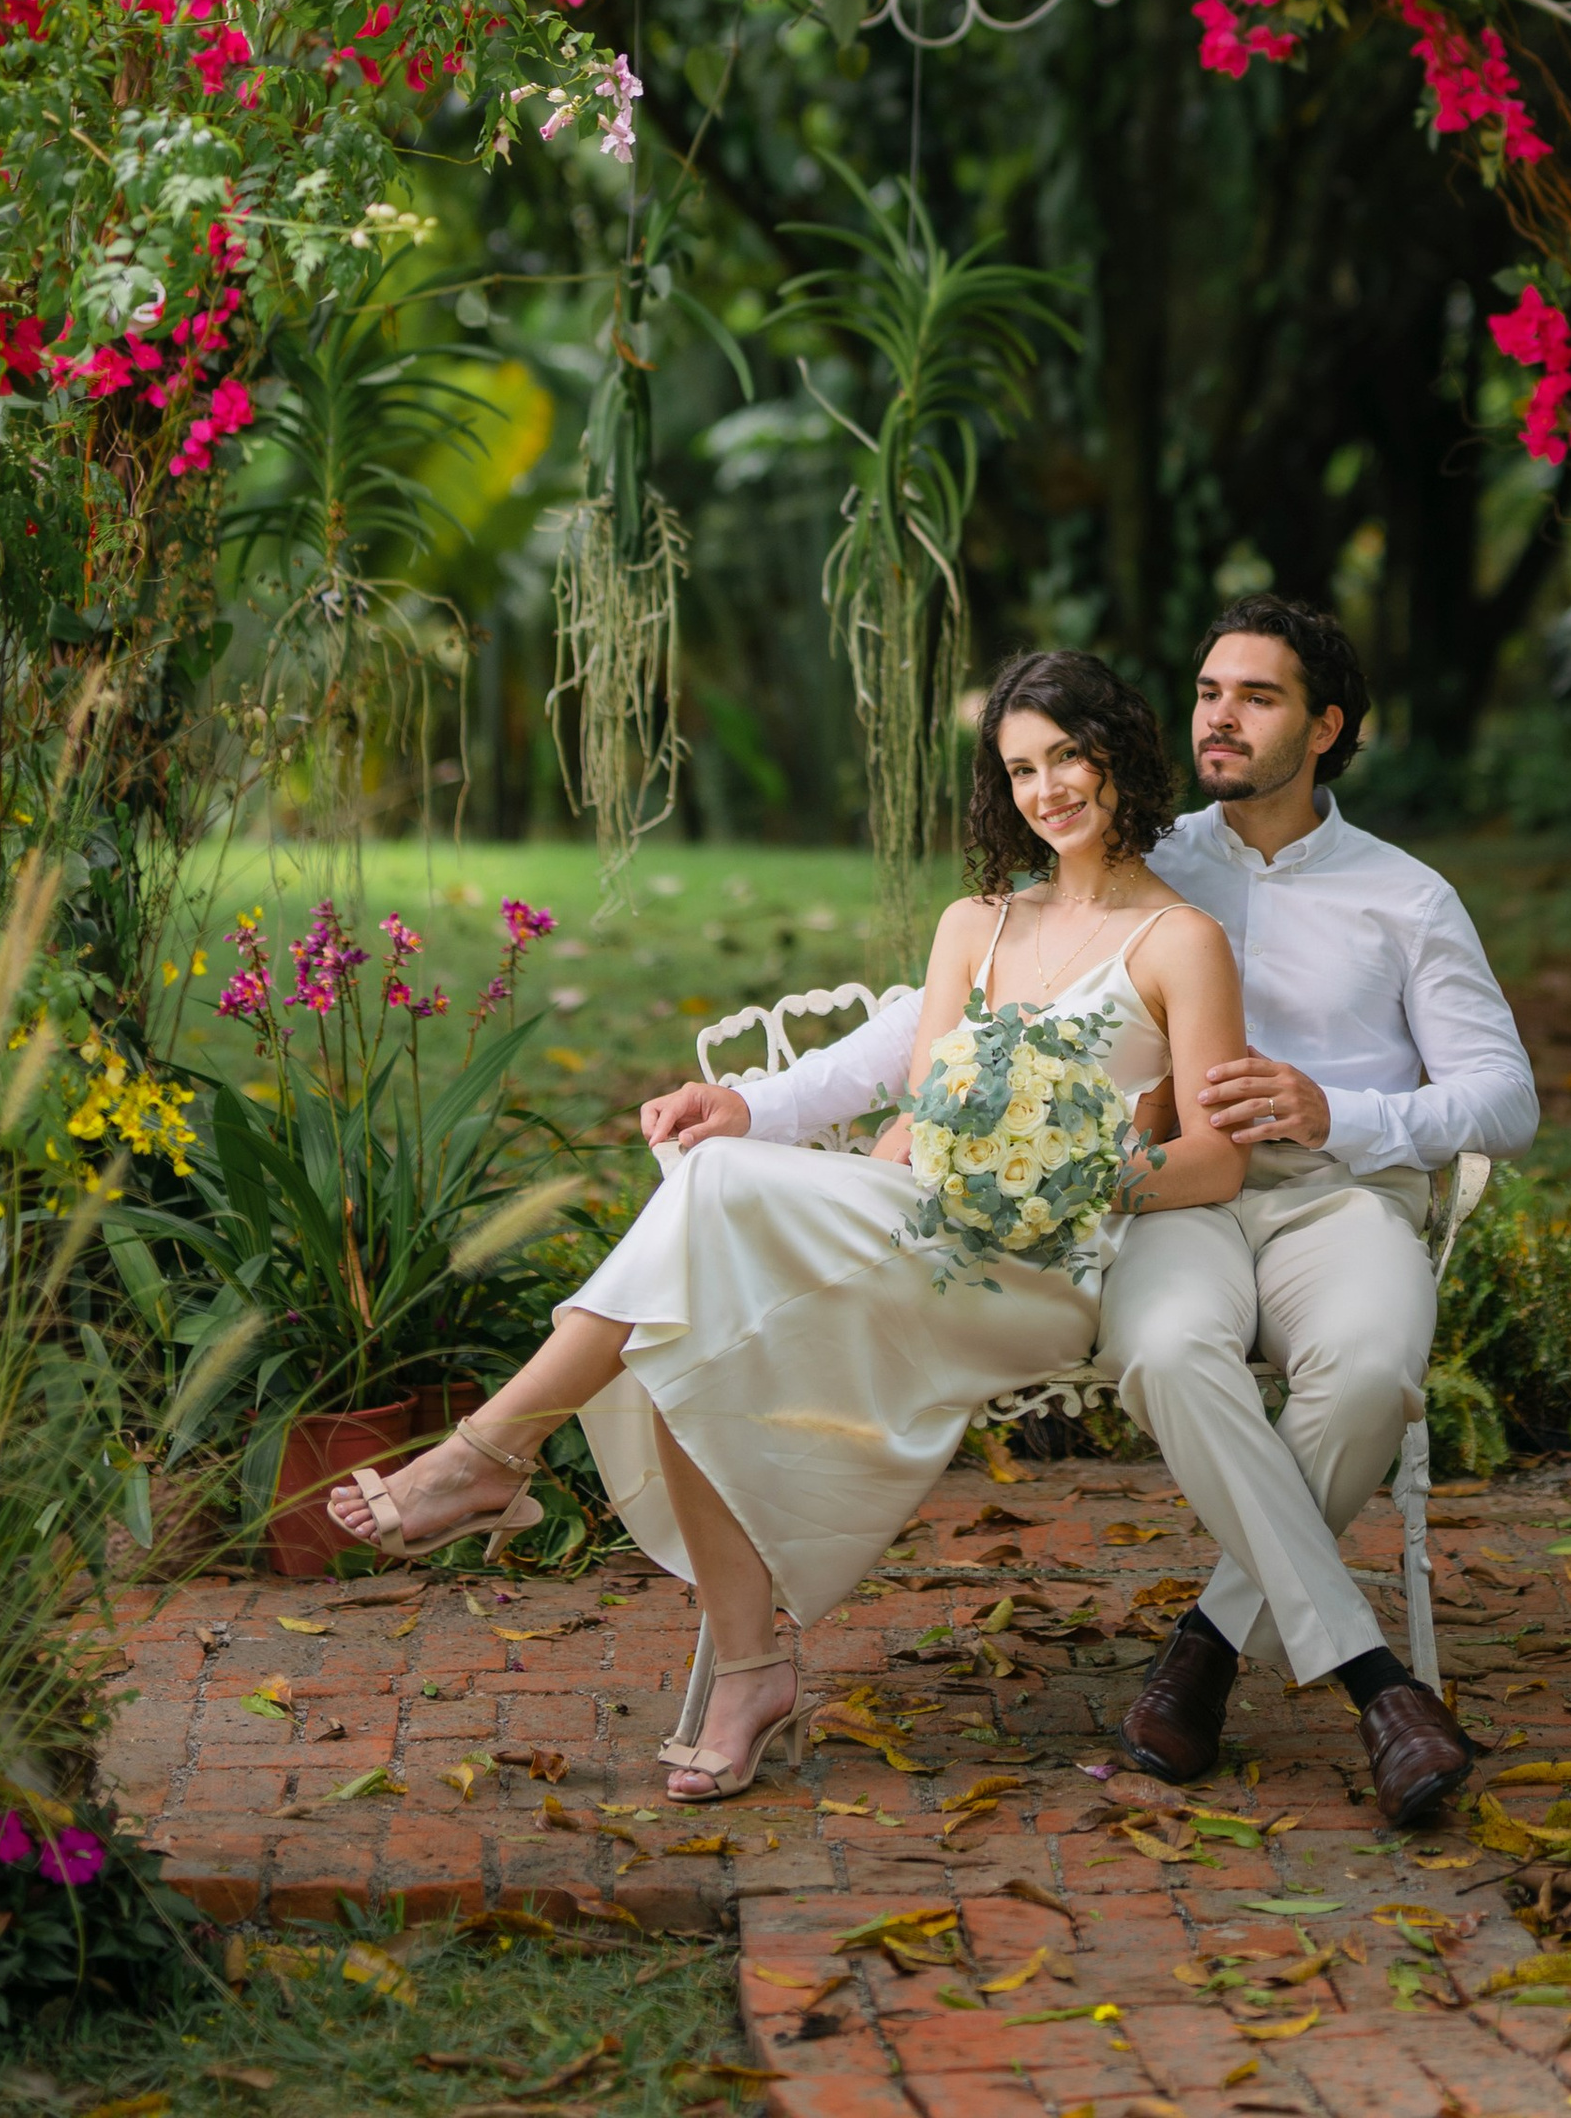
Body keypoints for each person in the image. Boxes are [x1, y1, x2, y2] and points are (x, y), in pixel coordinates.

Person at [644, 594, 1539, 1825]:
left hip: (1336, 1199)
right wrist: (764, 1105)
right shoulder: (1146, 854)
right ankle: (1371, 1682)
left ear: (1325, 727)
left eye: (1259, 697)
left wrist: (1339, 1113)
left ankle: (1212, 1645)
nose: (1222, 715)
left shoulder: (1407, 897)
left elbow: (1504, 1100)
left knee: (1375, 1370)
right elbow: (943, 1020)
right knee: (1167, 1352)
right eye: (1210, 690)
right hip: (1167, 1197)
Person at [324, 651, 1245, 1802]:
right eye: (1020, 768)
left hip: (1045, 1266)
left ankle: (489, 1455)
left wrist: (1075, 1182)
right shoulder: (975, 924)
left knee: (707, 1195)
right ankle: (744, 1670)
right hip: (924, 1222)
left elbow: (1213, 1156)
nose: (1048, 788)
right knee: (683, 1317)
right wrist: (875, 1175)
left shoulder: (1181, 941)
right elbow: (923, 1106)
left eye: (1069, 755)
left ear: (1120, 753)